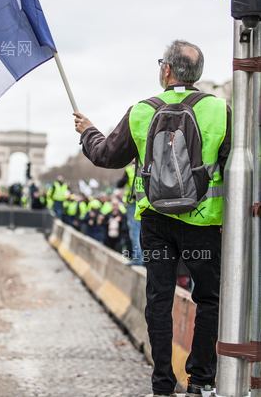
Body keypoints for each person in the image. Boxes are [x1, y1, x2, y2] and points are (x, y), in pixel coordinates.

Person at [73, 40, 231, 397]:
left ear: (166, 71)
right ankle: (202, 382)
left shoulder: (142, 111)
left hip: (156, 223)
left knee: (159, 300)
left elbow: (106, 155)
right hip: (203, 223)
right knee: (208, 299)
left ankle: (162, 386)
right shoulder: (220, 110)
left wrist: (87, 132)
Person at [117, 163, 143, 265]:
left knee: (135, 232)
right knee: (144, 232)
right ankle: (145, 259)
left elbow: (119, 184)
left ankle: (138, 259)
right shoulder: (148, 165)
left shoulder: (129, 170)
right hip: (145, 203)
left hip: (133, 203)